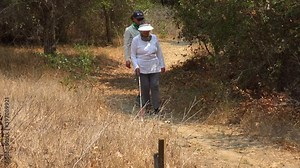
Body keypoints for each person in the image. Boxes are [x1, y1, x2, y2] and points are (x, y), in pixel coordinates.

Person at [130, 24, 166, 114]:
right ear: (140, 31)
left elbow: (159, 52)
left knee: (155, 85)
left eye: (148, 31)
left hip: (154, 65)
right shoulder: (136, 40)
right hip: (142, 67)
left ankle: (156, 107)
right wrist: (136, 66)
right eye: (144, 31)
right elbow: (133, 55)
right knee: (145, 87)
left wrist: (162, 65)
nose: (146, 32)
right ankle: (146, 107)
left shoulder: (154, 38)